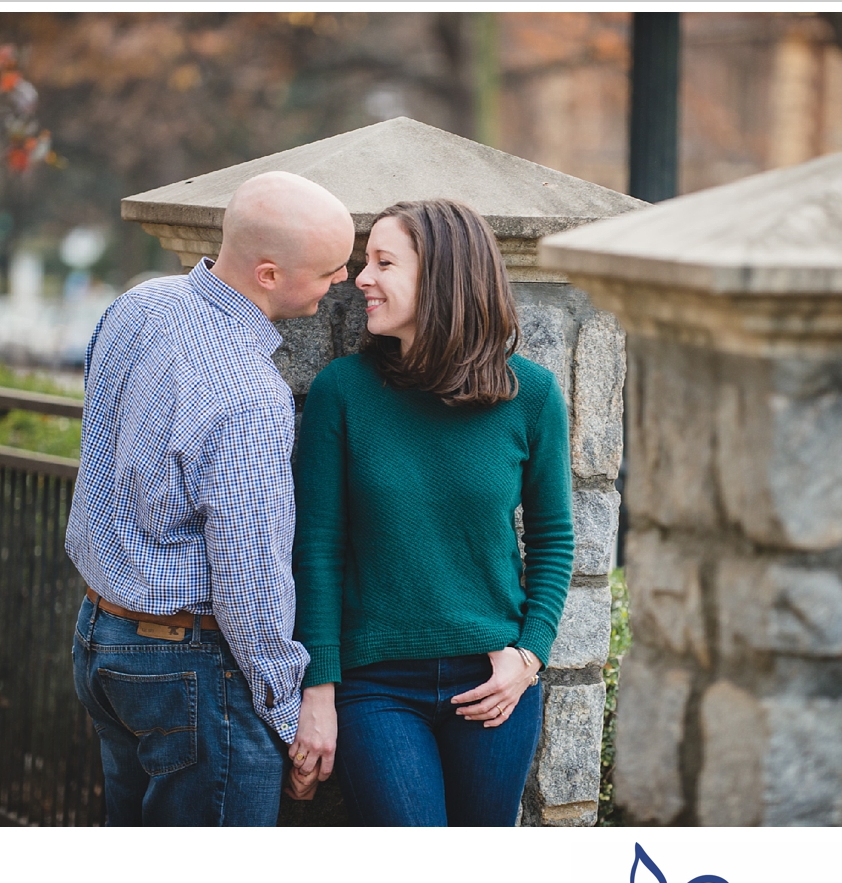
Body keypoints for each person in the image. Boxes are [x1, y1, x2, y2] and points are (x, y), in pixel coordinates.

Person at [67, 170, 354, 826]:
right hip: (189, 671)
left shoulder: (139, 305)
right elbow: (249, 582)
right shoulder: (249, 395)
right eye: (332, 268)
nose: (345, 280)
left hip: (100, 640)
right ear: (270, 274)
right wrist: (288, 712)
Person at [292, 197, 573, 826]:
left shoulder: (532, 396)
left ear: (442, 277)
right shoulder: (344, 391)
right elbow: (316, 547)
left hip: (493, 683)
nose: (361, 279)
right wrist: (319, 689)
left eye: (384, 262)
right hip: (376, 688)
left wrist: (529, 655)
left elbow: (553, 538)